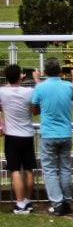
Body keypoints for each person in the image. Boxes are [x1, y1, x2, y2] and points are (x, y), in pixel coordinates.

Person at [31, 58, 73, 216]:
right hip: (65, 133)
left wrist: (37, 80)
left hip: (48, 134)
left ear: (44, 71)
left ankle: (57, 203)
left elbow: (35, 109)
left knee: (50, 170)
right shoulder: (68, 86)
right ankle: (67, 201)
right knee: (65, 168)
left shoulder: (40, 88)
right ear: (59, 71)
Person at [1, 65, 37, 213]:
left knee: (15, 169)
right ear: (21, 76)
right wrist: (36, 78)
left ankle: (20, 203)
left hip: (12, 135)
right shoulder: (29, 91)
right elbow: (35, 110)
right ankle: (27, 201)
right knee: (28, 169)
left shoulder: (2, 92)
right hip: (27, 134)